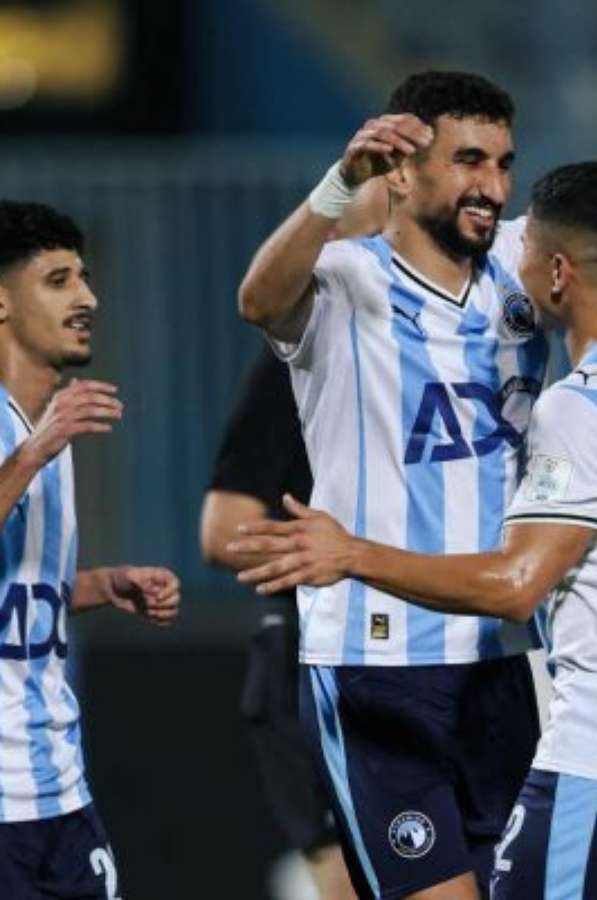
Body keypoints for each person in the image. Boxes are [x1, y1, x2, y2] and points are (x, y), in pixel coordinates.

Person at [235, 19, 597, 900]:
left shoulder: (526, 259)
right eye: (469, 161)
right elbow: (258, 299)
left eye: (504, 164)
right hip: (374, 659)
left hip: (505, 655)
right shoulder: (347, 278)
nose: (492, 184)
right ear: (402, 172)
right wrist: (336, 186)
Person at [0, 200, 181, 898]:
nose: (88, 298)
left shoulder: (52, 427)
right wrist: (33, 452)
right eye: (58, 280)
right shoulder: (40, 440)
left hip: (59, 791)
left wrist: (101, 585)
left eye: (84, 278)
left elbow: (18, 589)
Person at [199, 348, 355, 900]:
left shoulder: (485, 350)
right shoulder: (301, 359)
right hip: (320, 668)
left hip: (462, 667)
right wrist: (367, 564)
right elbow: (224, 531)